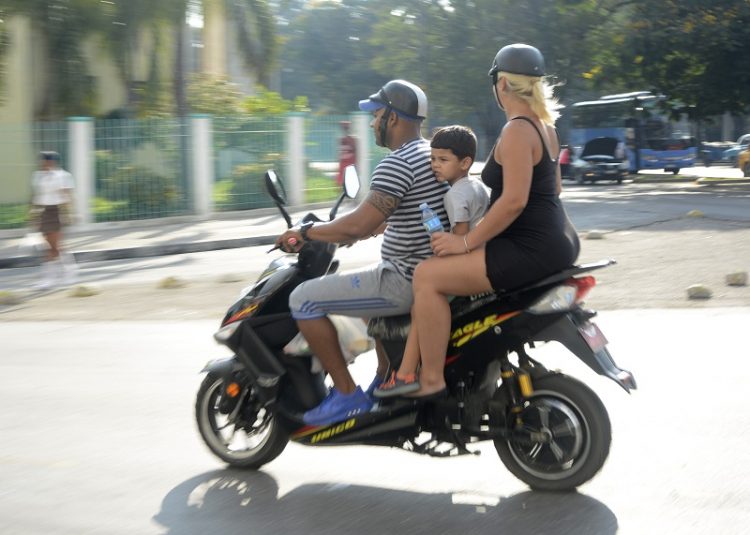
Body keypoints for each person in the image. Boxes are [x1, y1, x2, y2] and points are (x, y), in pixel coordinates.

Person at [401, 43, 581, 398]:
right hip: (559, 240)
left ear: (501, 85)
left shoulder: (516, 130)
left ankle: (432, 379)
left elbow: (514, 201)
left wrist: (464, 241)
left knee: (426, 276)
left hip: (529, 247)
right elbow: (553, 188)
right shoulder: (545, 127)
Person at [274, 80, 449, 426]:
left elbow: (356, 224)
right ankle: (385, 378)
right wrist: (370, 228)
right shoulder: (432, 155)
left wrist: (306, 233)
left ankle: (345, 396)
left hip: (403, 279)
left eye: (377, 115)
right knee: (362, 292)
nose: (371, 123)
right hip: (430, 272)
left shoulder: (396, 163)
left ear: (394, 119)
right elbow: (416, 211)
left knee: (303, 299)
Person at [374, 125, 489, 397]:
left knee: (420, 307)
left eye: (443, 160)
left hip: (467, 266)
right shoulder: (476, 186)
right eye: (433, 159)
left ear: (465, 162)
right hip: (483, 260)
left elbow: (460, 239)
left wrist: (439, 242)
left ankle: (405, 373)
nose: (435, 165)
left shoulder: (455, 194)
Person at [29, 151, 77, 289]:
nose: (42, 163)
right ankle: (69, 272)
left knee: (54, 247)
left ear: (52, 162)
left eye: (45, 161)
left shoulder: (63, 176)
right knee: (50, 246)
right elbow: (35, 195)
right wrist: (33, 214)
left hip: (57, 211)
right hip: (43, 211)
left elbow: (67, 195)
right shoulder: (37, 176)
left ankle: (51, 278)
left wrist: (68, 214)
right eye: (42, 161)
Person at [336, 120, 357, 186]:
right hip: (343, 163)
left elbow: (355, 152)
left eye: (346, 128)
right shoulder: (341, 139)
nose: (344, 130)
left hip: (350, 163)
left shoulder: (352, 140)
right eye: (343, 128)